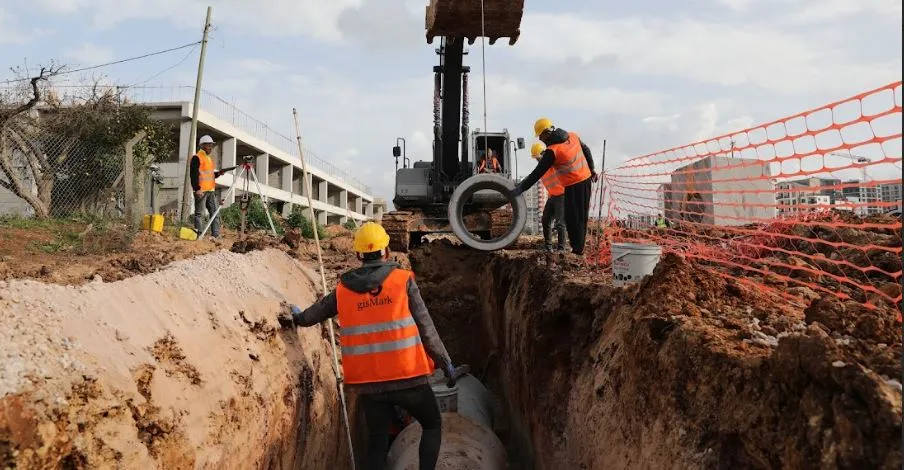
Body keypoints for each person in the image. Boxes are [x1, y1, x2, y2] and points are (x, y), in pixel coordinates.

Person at [277, 222, 456, 470]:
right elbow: (426, 326)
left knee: (376, 444)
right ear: (386, 251)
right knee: (432, 425)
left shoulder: (343, 290)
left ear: (359, 255)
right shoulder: (402, 281)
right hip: (409, 378)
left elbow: (312, 316)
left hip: (370, 387)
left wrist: (296, 317)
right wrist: (444, 361)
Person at [511, 118, 598, 256]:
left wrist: (520, 189)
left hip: (573, 185)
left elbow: (536, 173)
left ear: (547, 132)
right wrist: (592, 168)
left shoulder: (552, 151)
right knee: (578, 217)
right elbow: (586, 149)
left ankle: (577, 250)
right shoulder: (572, 136)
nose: (540, 139)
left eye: (540, 136)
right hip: (585, 180)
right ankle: (578, 249)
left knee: (573, 219)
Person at [531, 142, 565, 253]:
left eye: (538, 158)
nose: (537, 161)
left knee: (560, 223)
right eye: (536, 159)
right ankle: (548, 246)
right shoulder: (542, 169)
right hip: (552, 197)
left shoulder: (553, 163)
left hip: (562, 196)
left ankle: (561, 248)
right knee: (545, 220)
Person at [190, 135, 224, 237]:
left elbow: (209, 175)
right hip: (201, 190)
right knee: (199, 214)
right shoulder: (197, 157)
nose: (211, 148)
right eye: (209, 146)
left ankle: (216, 235)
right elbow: (193, 174)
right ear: (202, 146)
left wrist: (218, 174)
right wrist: (197, 189)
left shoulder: (208, 159)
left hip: (210, 190)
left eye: (211, 146)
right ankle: (199, 234)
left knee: (214, 213)